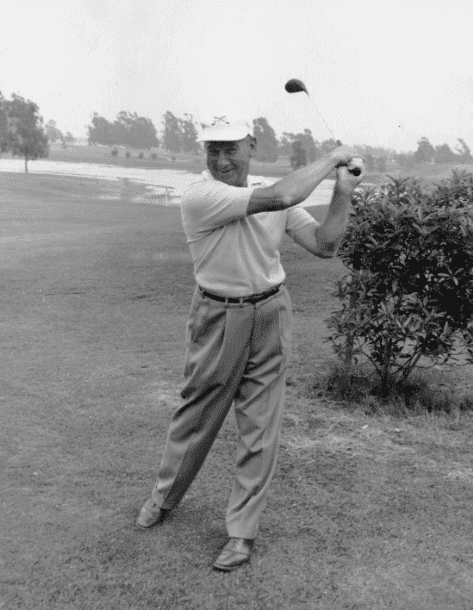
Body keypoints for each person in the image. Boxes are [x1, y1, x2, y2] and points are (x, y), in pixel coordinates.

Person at [136, 116, 364, 571]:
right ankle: (165, 497)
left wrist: (343, 190)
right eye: (212, 150)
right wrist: (335, 155)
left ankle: (241, 532)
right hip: (218, 314)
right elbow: (282, 195)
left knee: (261, 426)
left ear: (251, 146)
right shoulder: (203, 194)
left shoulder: (272, 190)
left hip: (271, 312)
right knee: (197, 414)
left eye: (230, 149)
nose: (220, 160)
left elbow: (324, 244)